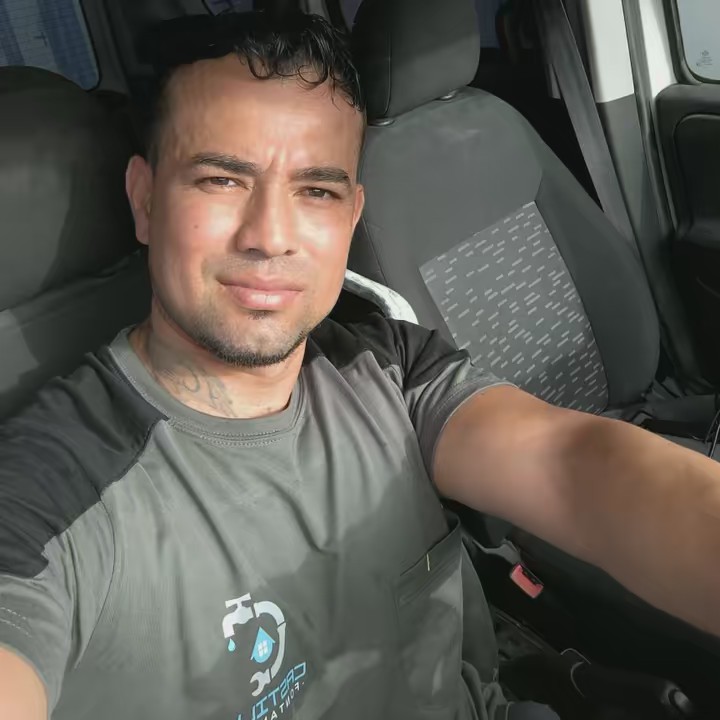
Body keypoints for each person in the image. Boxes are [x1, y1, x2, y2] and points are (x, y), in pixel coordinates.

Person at [0, 11, 719, 720]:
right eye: (221, 179)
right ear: (144, 200)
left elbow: (579, 467)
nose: (270, 236)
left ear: (351, 216)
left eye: (316, 191)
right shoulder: (53, 487)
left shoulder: (388, 369)